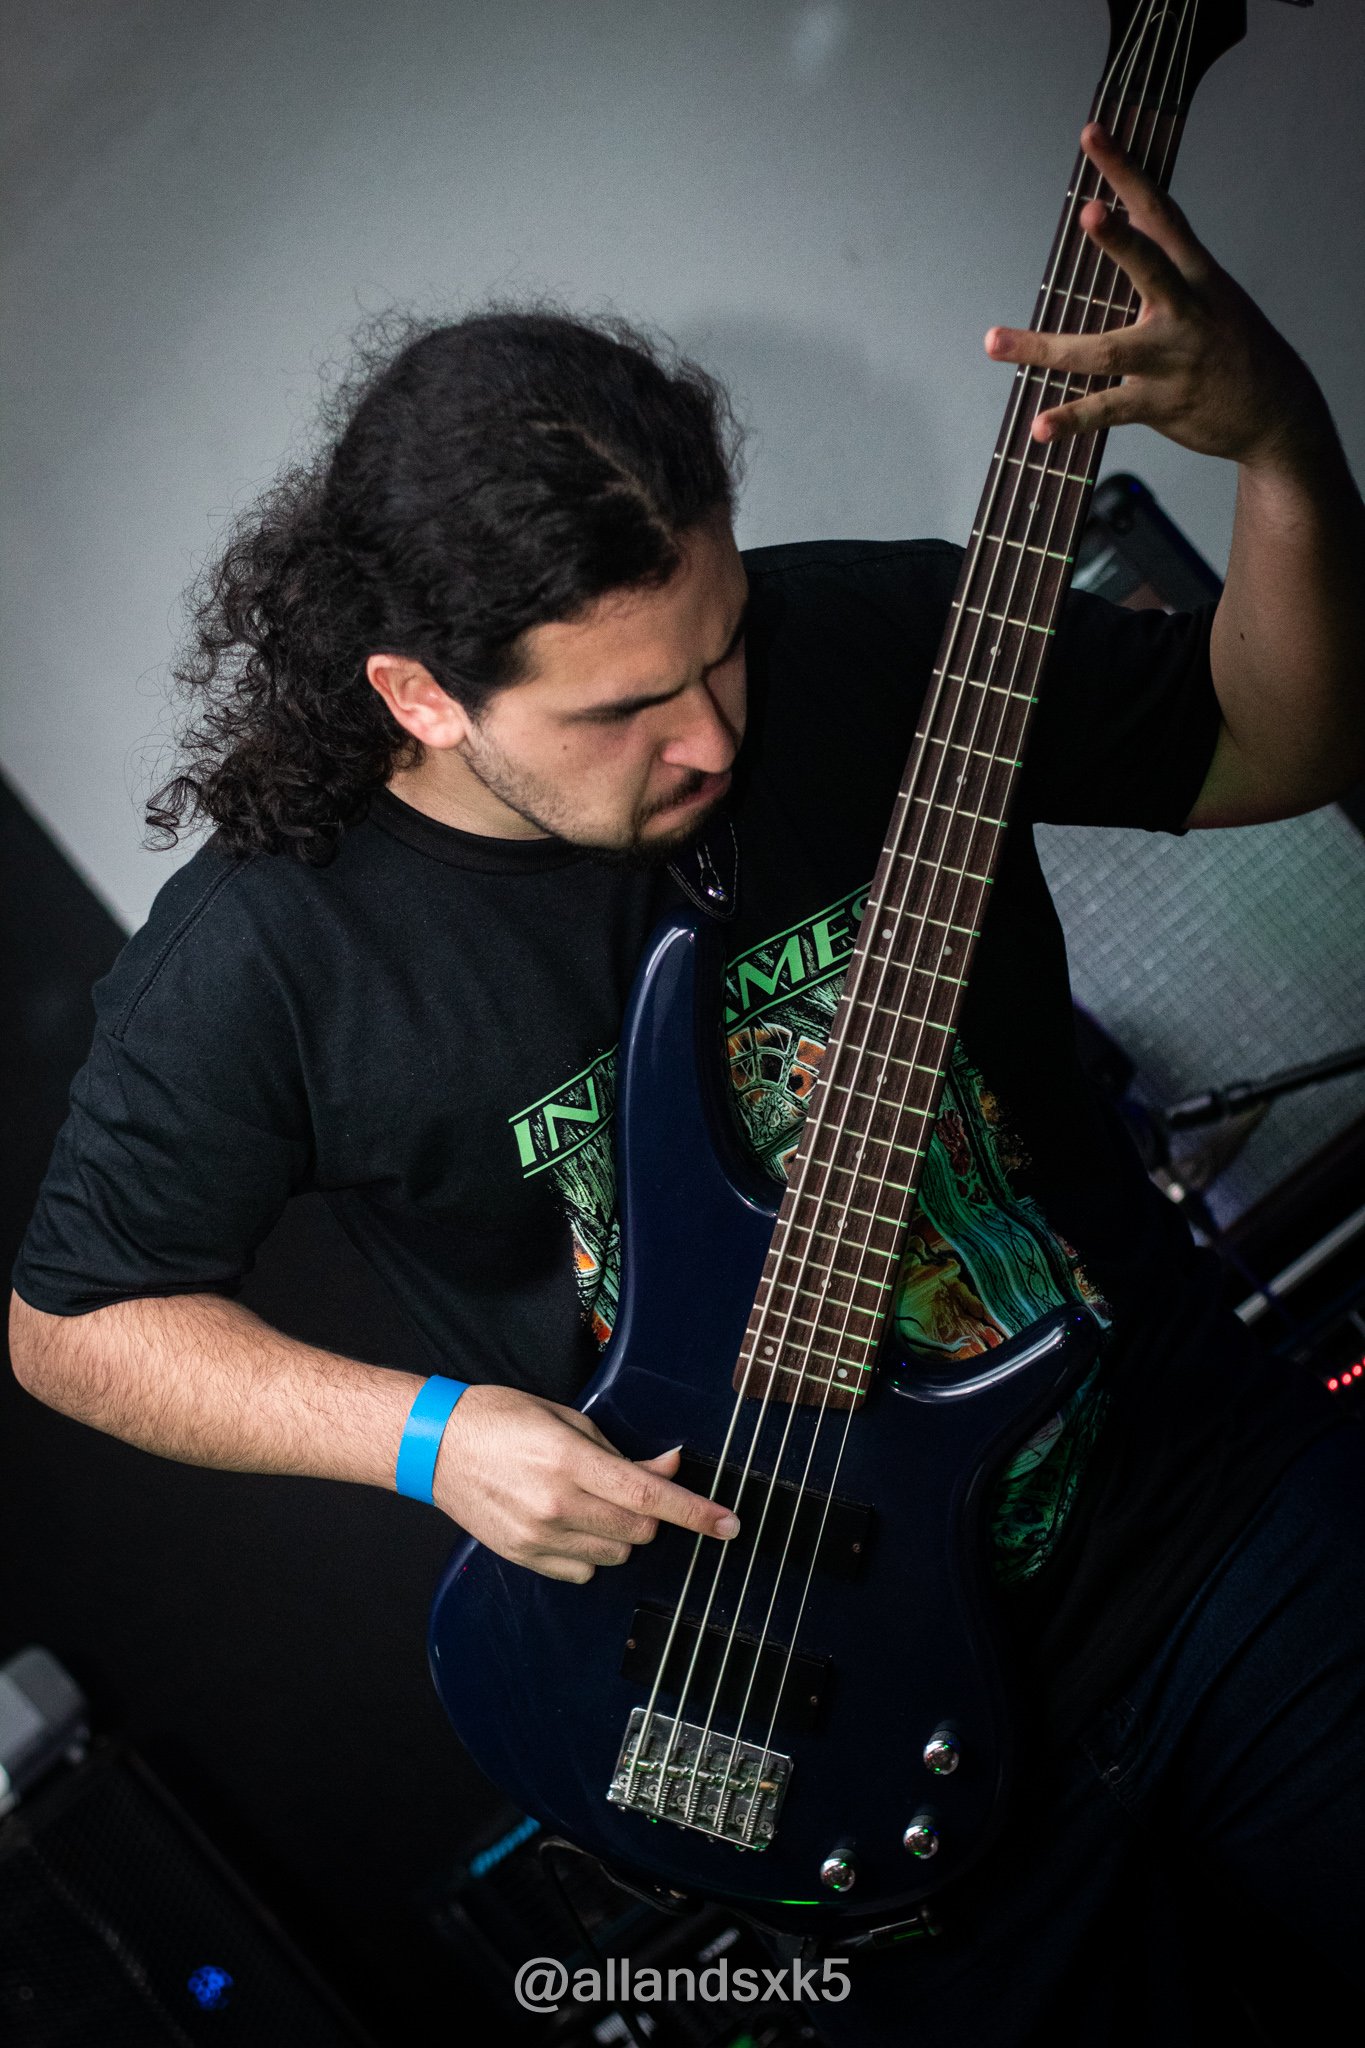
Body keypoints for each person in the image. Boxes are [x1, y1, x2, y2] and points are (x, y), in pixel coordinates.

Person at [9, 125, 1365, 2042]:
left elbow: (1275, 743)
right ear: (420, 695)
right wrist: (431, 1439)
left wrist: (1278, 437)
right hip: (830, 1713)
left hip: (1204, 1524)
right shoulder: (269, 953)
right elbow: (74, 1321)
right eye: (624, 707)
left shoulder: (858, 643)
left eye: (718, 650)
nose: (712, 733)